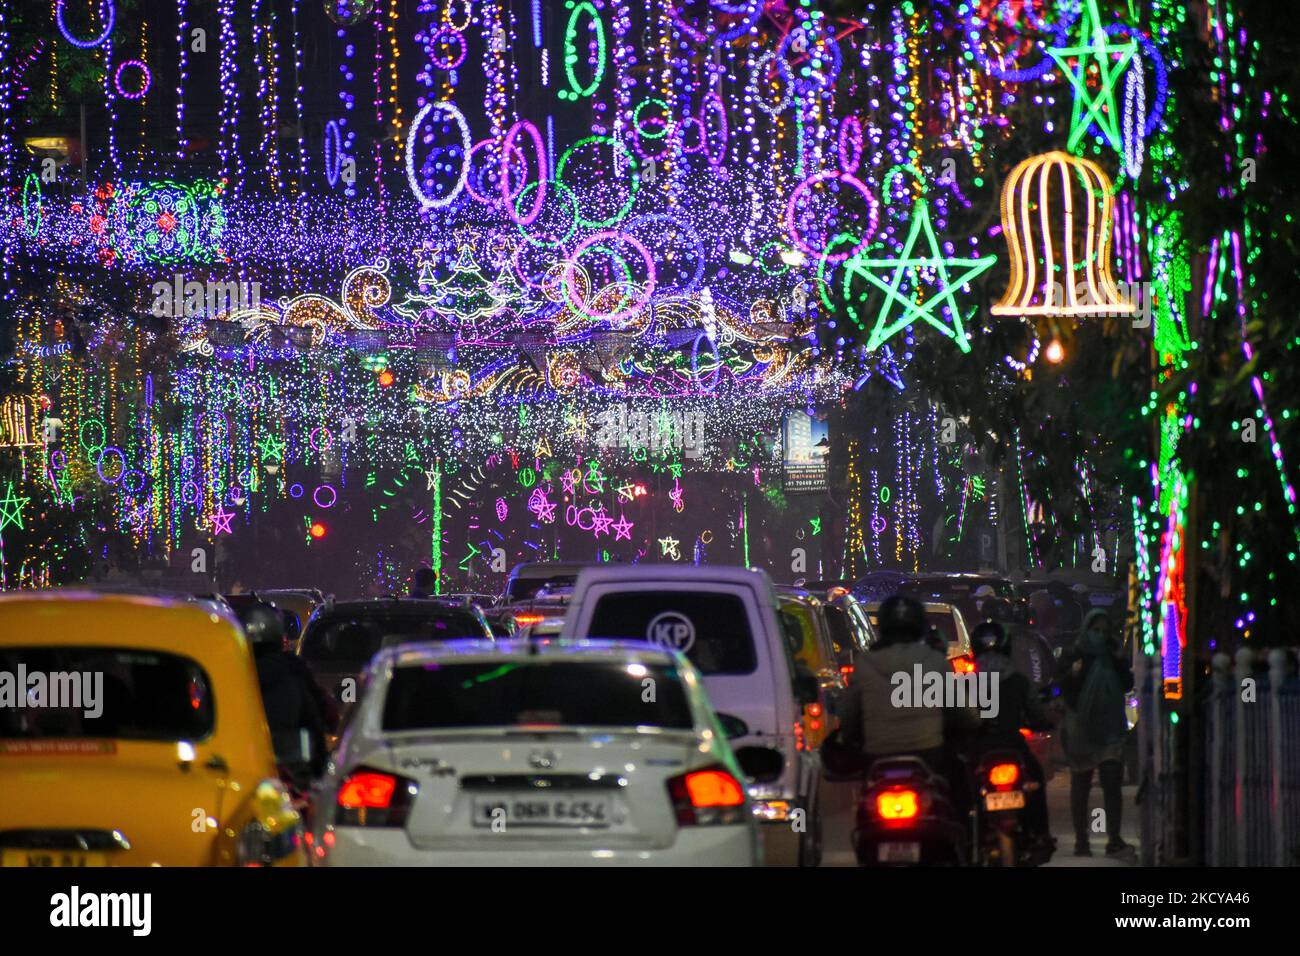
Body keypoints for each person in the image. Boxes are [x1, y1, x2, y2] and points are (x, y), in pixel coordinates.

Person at [838, 595, 977, 791]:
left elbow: (848, 717)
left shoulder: (864, 664)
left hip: (878, 755)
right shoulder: (935, 661)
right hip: (929, 754)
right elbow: (961, 711)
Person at [969, 619, 1054, 856]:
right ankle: (1039, 834)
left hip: (981, 750)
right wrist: (1043, 722)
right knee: (1035, 778)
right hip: (1011, 746)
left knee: (964, 790)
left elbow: (958, 718)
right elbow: (1036, 712)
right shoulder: (1018, 680)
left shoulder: (967, 683)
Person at [1060, 609, 1134, 858]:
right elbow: (1064, 689)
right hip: (1082, 731)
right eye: (1096, 630)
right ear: (1087, 629)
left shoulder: (1112, 655)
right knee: (1081, 784)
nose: (1100, 636)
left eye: (1104, 631)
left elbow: (1126, 684)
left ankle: (1114, 837)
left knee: (1112, 782)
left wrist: (1120, 660)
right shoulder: (1074, 654)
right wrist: (1074, 674)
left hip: (1110, 730)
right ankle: (1082, 840)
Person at [241, 601, 329, 786]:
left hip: (247, 770)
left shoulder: (233, 671)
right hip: (290, 771)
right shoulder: (293, 670)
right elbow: (316, 718)